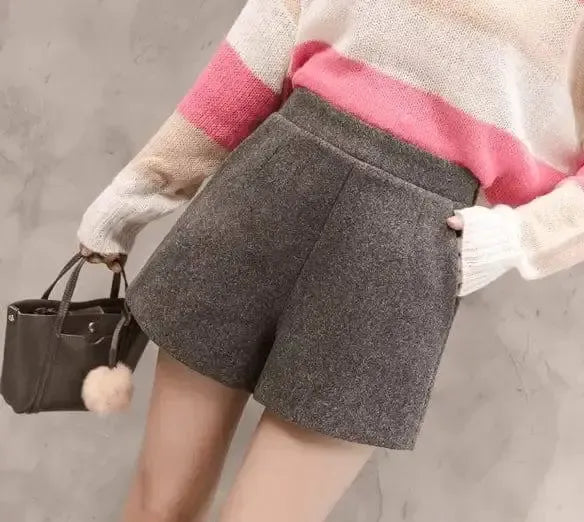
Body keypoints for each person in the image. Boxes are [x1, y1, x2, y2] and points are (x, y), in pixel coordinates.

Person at [77, 1, 584, 521]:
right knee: (157, 507)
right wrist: (139, 189)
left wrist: (519, 238)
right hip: (262, 193)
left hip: (400, 253)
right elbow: (261, 45)